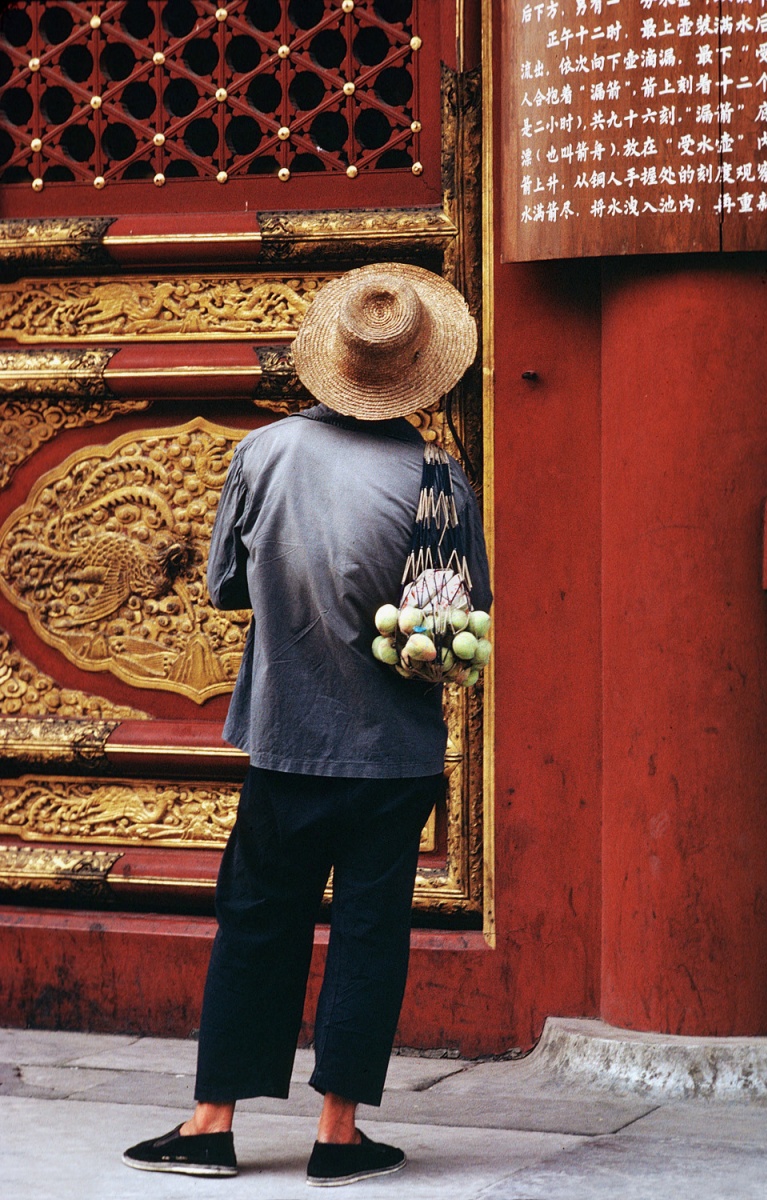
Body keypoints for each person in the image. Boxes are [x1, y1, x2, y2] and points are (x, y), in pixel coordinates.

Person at [122, 262, 492, 1187]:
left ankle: (210, 1125)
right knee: (371, 931)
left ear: (331, 360)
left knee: (255, 921)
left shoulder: (266, 453)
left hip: (288, 739)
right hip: (394, 754)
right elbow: (459, 622)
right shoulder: (439, 478)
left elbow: (222, 587)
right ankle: (338, 1134)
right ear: (424, 370)